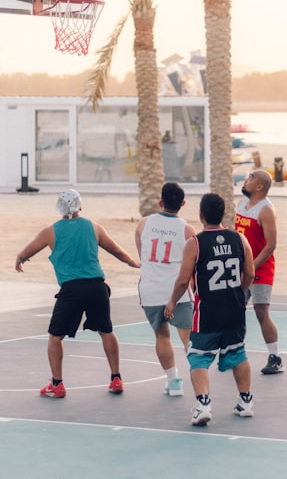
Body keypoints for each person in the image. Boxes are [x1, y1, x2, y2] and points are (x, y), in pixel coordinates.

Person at [15, 189, 140, 398]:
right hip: (97, 286)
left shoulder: (50, 231)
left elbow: (27, 251)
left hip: (72, 289)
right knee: (106, 331)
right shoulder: (94, 227)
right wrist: (133, 262)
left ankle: (57, 384)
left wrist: (19, 259)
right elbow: (117, 250)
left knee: (55, 337)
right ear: (80, 207)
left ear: (59, 209)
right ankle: (116, 378)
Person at [165, 193, 255, 427]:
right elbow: (251, 273)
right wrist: (239, 293)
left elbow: (183, 280)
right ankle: (246, 401)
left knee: (198, 358)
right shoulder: (239, 239)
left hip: (208, 313)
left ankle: (203, 404)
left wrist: (172, 302)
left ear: (201, 215)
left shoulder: (195, 243)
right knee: (238, 352)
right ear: (224, 213)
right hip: (235, 309)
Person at [134, 182, 197, 396]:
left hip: (151, 290)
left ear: (160, 202)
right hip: (177, 292)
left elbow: (142, 255)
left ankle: (173, 381)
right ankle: (200, 379)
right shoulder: (187, 229)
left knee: (161, 336)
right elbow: (193, 262)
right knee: (188, 337)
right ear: (183, 203)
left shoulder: (143, 224)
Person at [235, 168, 283, 375]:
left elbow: (271, 245)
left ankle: (276, 357)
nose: (246, 179)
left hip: (260, 268)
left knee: (261, 311)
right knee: (236, 310)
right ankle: (236, 352)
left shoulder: (266, 210)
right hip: (240, 267)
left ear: (260, 186)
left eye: (251, 178)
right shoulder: (241, 205)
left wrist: (251, 267)